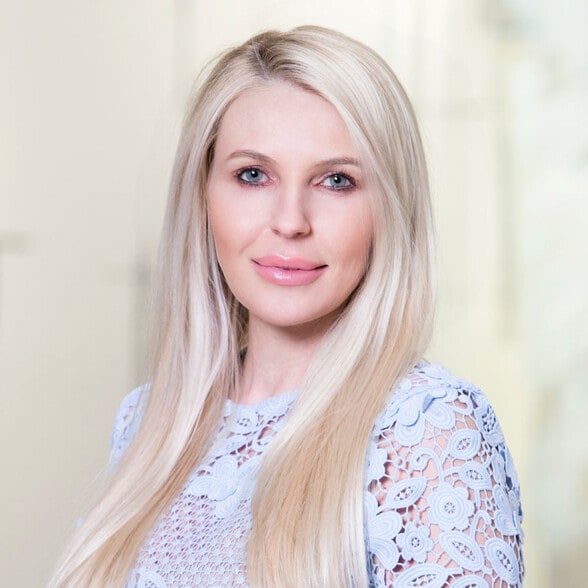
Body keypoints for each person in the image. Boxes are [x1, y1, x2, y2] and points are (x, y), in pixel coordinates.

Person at [51, 25, 524, 587]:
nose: (291, 221)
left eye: (336, 181)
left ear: (390, 210)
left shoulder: (430, 429)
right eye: (253, 175)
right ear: (203, 193)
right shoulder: (147, 419)